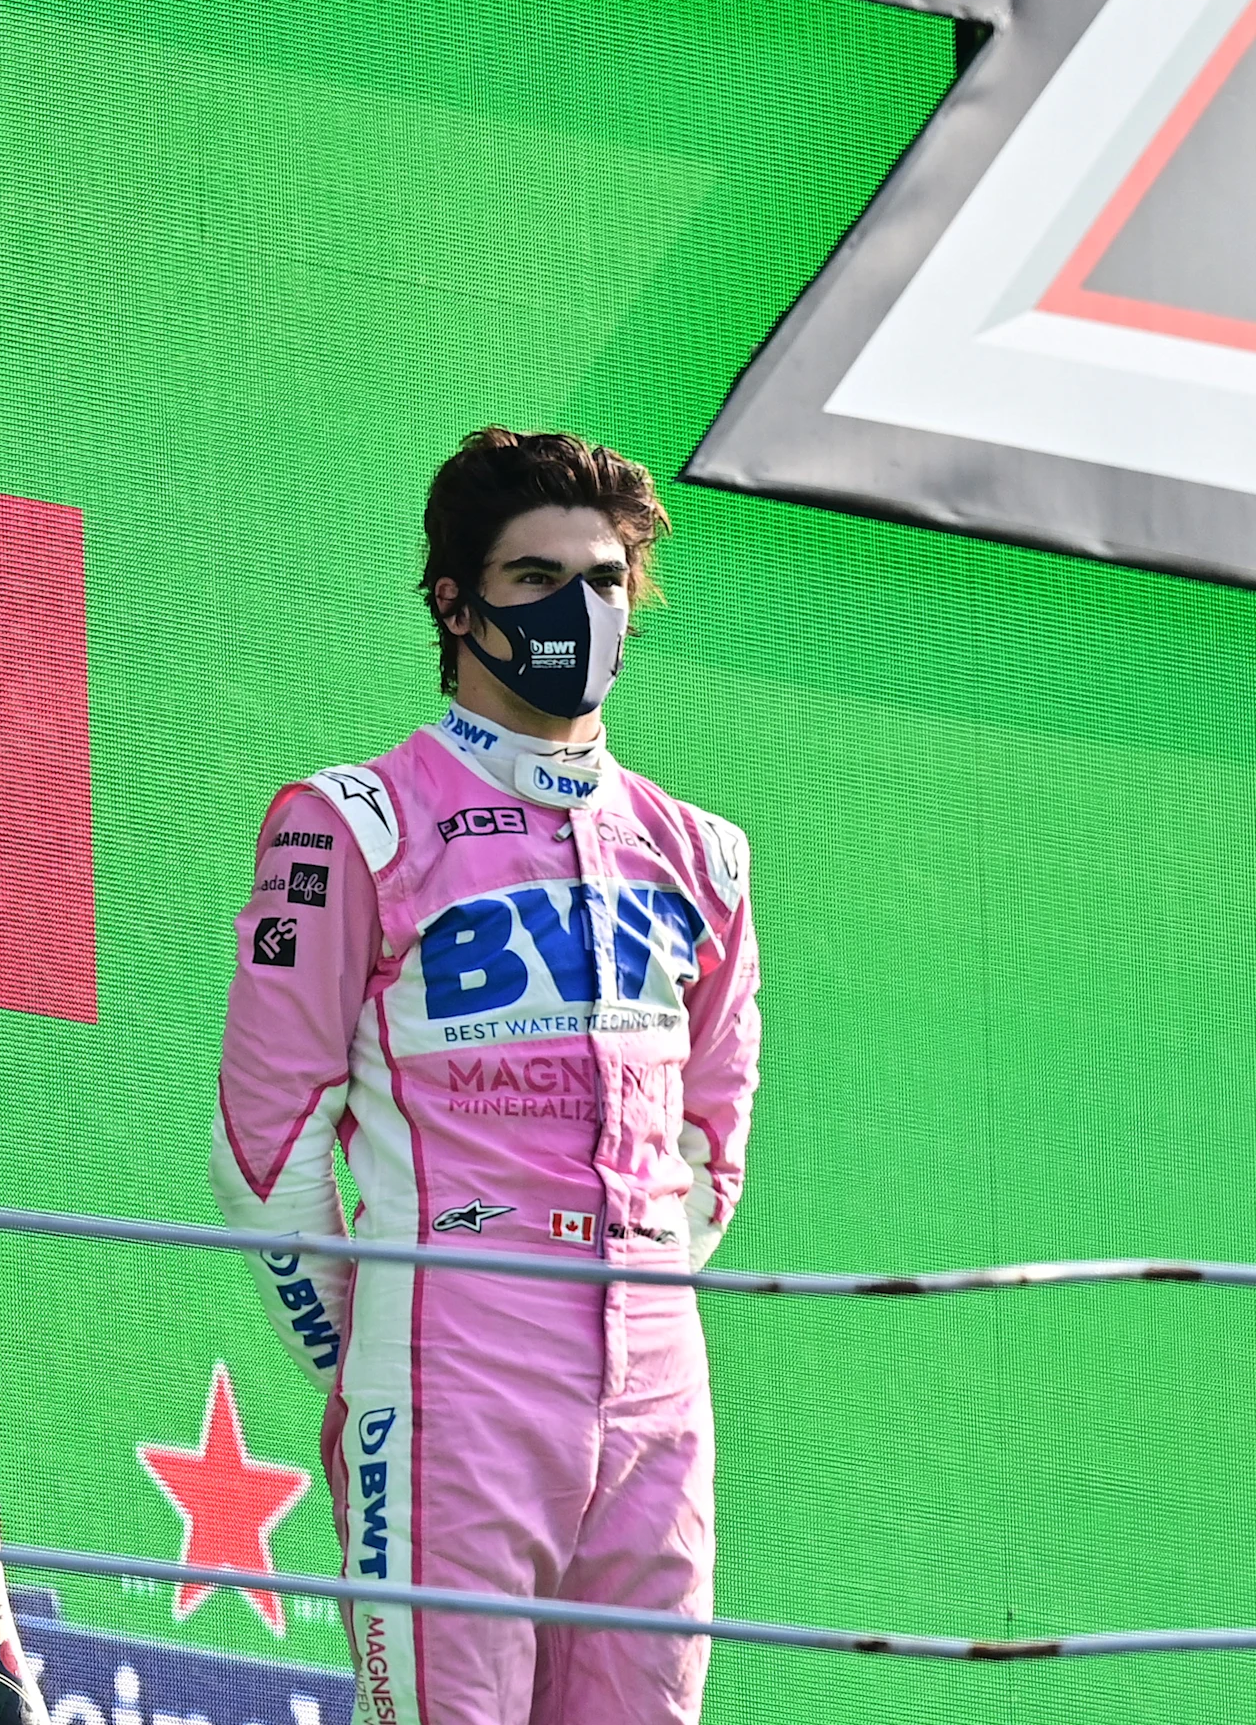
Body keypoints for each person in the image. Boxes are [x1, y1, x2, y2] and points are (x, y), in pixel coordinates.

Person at [211, 429, 762, 1725]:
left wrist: (638, 1292)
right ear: (454, 602)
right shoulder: (351, 820)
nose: (582, 607)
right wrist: (385, 1353)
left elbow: (712, 1133)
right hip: (450, 1354)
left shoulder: (705, 856)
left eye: (607, 578)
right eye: (535, 578)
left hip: (656, 1371)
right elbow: (267, 1151)